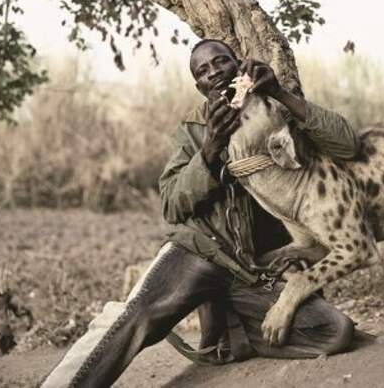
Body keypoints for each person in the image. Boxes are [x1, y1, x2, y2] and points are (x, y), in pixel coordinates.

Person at [42, 39, 361, 387]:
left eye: (220, 62)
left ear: (238, 66)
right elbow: (172, 205)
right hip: (198, 250)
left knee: (334, 331)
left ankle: (235, 334)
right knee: (135, 317)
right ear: (200, 86)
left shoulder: (277, 111)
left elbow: (349, 144)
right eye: (203, 71)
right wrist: (209, 150)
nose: (214, 73)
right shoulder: (194, 128)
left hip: (250, 267)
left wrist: (281, 93)